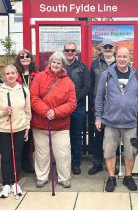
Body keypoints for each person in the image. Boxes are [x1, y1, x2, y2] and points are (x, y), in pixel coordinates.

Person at [94, 46, 138, 192]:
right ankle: (111, 177)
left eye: (125, 56)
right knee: (109, 151)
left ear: (129, 58)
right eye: (119, 56)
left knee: (130, 151)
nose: (122, 59)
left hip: (130, 122)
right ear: (116, 57)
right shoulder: (107, 74)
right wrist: (98, 116)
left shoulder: (136, 75)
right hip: (111, 121)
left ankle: (128, 177)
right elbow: (99, 97)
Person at [30, 52, 77, 188]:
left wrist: (55, 112)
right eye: (54, 62)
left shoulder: (68, 82)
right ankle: (42, 176)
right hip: (41, 123)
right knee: (42, 152)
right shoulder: (39, 78)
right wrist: (46, 112)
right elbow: (34, 97)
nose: (56, 65)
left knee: (63, 152)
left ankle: (64, 177)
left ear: (63, 65)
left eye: (59, 63)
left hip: (60, 125)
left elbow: (72, 103)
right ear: (50, 63)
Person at [0, 65, 31, 198]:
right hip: (4, 129)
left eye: (13, 73)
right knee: (6, 157)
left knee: (16, 156)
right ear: (4, 76)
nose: (11, 76)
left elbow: (27, 111)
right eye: (8, 74)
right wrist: (3, 112)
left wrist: (27, 127)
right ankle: (6, 183)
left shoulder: (24, 90)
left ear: (17, 74)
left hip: (19, 128)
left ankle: (15, 182)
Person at [88, 39, 116, 175]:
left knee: (114, 136)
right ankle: (97, 162)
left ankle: (112, 163)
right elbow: (92, 85)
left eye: (110, 46)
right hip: (99, 107)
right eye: (106, 46)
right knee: (98, 136)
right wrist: (93, 104)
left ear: (114, 48)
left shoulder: (120, 63)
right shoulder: (95, 64)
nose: (108, 48)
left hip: (116, 107)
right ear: (101, 48)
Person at [63, 42, 90, 175]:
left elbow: (87, 86)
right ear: (64, 51)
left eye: (72, 50)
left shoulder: (82, 67)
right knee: (62, 137)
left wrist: (73, 100)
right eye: (67, 50)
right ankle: (64, 163)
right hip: (61, 109)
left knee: (76, 136)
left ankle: (76, 163)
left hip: (77, 108)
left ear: (76, 52)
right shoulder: (59, 66)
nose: (70, 52)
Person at [14, 49, 39, 174]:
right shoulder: (15, 73)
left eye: (27, 57)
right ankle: (19, 162)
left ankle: (27, 161)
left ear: (31, 58)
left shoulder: (36, 73)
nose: (25, 59)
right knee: (20, 136)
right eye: (22, 57)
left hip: (33, 109)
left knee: (30, 138)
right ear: (18, 60)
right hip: (19, 109)